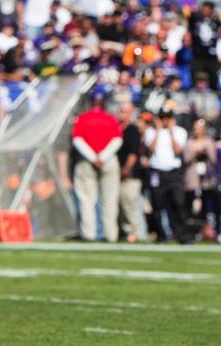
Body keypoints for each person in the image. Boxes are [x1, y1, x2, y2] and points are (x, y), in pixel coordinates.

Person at [72, 89, 123, 243]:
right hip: (108, 160)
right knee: (110, 199)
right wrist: (103, 156)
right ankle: (111, 235)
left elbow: (77, 140)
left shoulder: (82, 119)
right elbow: (117, 140)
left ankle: (89, 234)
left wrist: (94, 157)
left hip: (88, 160)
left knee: (87, 199)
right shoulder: (110, 119)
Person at [144, 104, 190, 242]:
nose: (165, 120)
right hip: (157, 171)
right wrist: (158, 130)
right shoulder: (150, 131)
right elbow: (150, 148)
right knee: (157, 205)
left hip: (174, 173)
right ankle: (161, 234)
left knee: (179, 203)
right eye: (162, 117)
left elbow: (177, 150)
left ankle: (182, 234)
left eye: (167, 118)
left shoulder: (180, 131)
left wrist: (170, 132)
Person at [116, 101, 143, 243]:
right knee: (120, 204)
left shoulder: (132, 130)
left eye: (125, 111)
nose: (121, 114)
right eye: (121, 111)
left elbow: (133, 153)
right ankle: (123, 231)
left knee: (129, 203)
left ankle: (133, 232)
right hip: (118, 173)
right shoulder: (117, 129)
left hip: (130, 175)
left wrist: (126, 169)